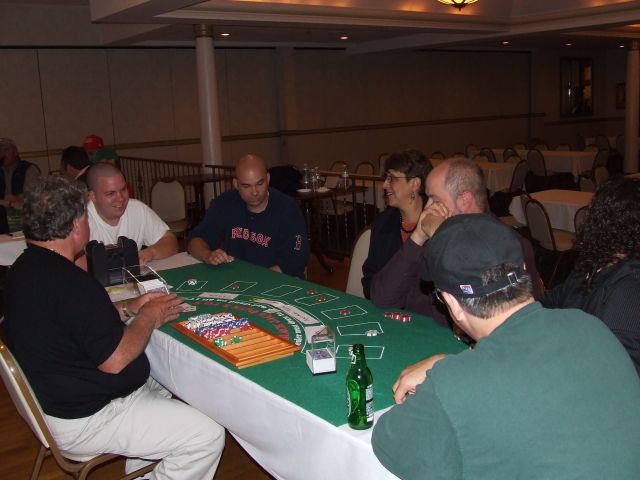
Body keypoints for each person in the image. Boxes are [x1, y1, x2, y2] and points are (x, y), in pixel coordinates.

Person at [372, 214, 640, 479]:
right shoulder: (590, 325)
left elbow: (389, 442)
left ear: (452, 304)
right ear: (523, 269)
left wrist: (446, 373)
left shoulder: (454, 384)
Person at [4, 176, 225, 479]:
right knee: (206, 436)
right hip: (89, 418)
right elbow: (116, 359)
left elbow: (72, 322)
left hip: (57, 399)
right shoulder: (72, 284)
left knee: (166, 376)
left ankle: (142, 465)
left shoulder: (22, 269)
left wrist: (128, 308)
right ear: (75, 225)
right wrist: (149, 316)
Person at [370, 157, 541, 327]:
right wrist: (417, 237)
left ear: (464, 201)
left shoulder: (509, 246)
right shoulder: (430, 239)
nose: (427, 208)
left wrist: (441, 240)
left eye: (435, 200)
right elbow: (382, 299)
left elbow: (516, 322)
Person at [540, 177, 640, 374]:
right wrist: (517, 313)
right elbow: (557, 298)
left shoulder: (628, 290)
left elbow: (614, 369)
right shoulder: (596, 262)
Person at [188, 154, 309, 279]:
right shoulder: (225, 203)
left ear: (268, 179)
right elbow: (195, 241)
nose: (254, 192)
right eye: (246, 186)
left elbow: (295, 261)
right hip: (238, 278)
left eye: (260, 183)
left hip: (277, 280)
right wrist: (207, 255)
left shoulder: (288, 209)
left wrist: (254, 279)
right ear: (236, 184)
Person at [361, 149, 432, 298]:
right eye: (386, 178)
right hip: (386, 306)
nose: (384, 185)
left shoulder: (436, 224)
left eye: (392, 178)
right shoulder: (382, 223)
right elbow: (369, 279)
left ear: (414, 184)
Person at [86, 163, 178, 265]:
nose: (120, 198)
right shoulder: (81, 220)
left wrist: (150, 252)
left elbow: (170, 241)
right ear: (93, 196)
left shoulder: (138, 209)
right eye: (110, 194)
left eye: (123, 189)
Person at [0, 137, 40, 209]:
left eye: (6, 150)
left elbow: (34, 196)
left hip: (23, 211)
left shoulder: (29, 169)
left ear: (15, 151)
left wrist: (17, 198)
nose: (2, 154)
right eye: (0, 151)